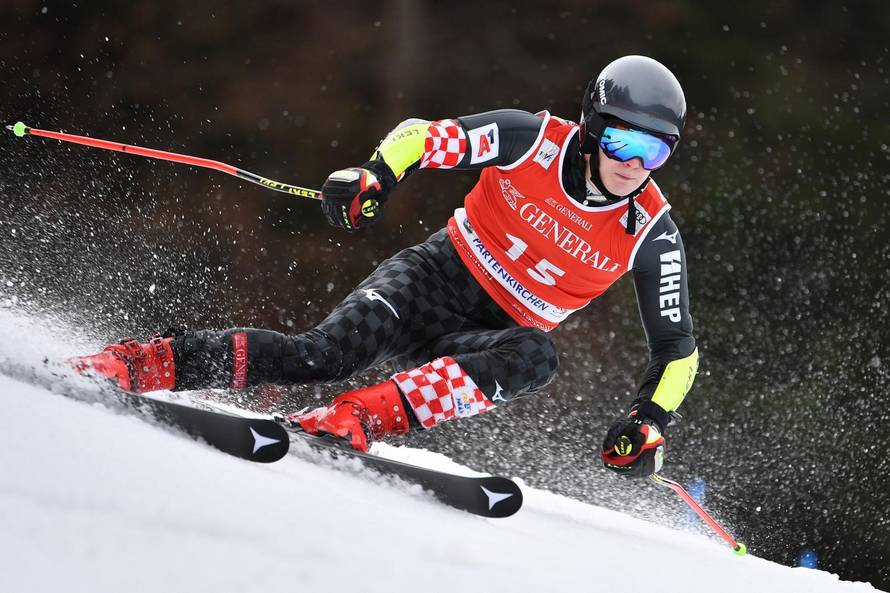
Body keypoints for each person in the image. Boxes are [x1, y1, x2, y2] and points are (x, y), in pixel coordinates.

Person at [70, 55, 697, 478]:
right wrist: (378, 172)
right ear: (591, 128)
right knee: (319, 356)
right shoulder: (531, 139)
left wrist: (649, 420)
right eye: (623, 139)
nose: (635, 162)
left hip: (483, 335)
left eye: (656, 149)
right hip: (433, 278)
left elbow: (677, 352)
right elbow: (424, 136)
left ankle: (354, 419)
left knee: (537, 357)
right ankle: (140, 363)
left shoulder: (651, 232)